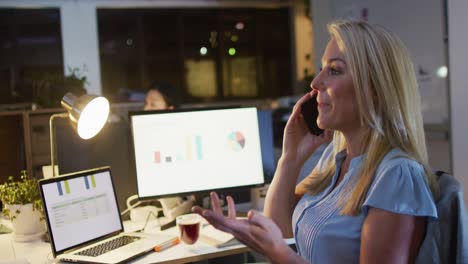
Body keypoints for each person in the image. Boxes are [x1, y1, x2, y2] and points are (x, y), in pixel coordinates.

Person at [192, 19, 438, 263]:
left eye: (334, 70)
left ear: (374, 89)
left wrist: (280, 253)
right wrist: (290, 158)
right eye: (322, 68)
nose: (316, 82)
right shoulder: (335, 161)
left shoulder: (397, 176)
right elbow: (280, 230)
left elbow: (281, 247)